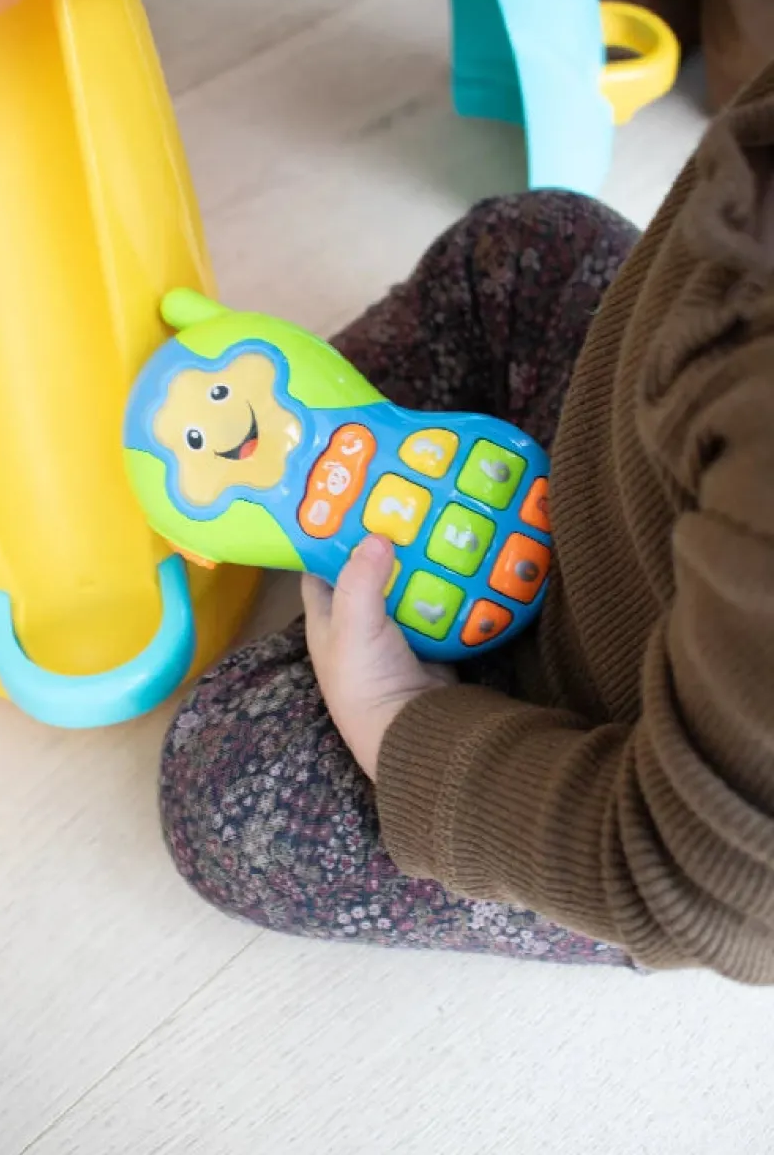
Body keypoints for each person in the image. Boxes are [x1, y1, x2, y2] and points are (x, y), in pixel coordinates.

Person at [160, 63, 774, 984]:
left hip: (594, 740)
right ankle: (314, 448)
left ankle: (320, 542)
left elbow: (702, 880)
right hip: (612, 454)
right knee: (533, 240)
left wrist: (395, 716)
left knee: (232, 795)